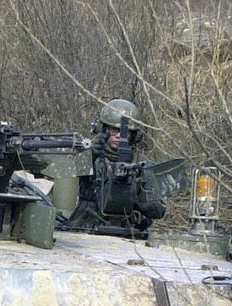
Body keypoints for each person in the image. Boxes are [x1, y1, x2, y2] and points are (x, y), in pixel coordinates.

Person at [61, 98, 167, 231]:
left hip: (128, 231)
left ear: (134, 135)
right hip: (87, 226)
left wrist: (133, 196)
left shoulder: (141, 163)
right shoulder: (91, 156)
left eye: (125, 132)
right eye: (113, 130)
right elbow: (67, 172)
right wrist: (90, 154)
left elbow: (159, 210)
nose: (119, 136)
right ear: (103, 129)